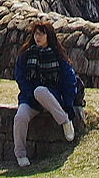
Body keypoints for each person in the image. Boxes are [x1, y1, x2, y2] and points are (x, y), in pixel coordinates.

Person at [9, 19, 81, 168]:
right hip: (30, 99)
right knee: (20, 117)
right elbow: (21, 78)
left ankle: (65, 121)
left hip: (51, 97)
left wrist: (68, 105)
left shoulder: (57, 55)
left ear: (49, 36)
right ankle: (20, 154)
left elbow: (69, 80)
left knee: (40, 91)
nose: (38, 37)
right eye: (36, 34)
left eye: (41, 34)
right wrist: (30, 96)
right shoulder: (26, 54)